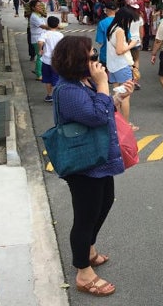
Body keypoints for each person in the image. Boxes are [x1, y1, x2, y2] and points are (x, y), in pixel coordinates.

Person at [50, 35, 134, 297]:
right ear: (77, 60)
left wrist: (117, 97)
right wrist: (103, 85)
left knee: (105, 201)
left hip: (98, 159)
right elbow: (97, 116)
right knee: (85, 216)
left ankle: (88, 248)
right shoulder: (68, 91)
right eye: (91, 57)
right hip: (83, 164)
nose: (96, 61)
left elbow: (102, 111)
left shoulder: (81, 83)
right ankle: (83, 272)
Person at [106, 8, 138, 131]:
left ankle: (118, 123)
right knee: (125, 96)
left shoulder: (111, 28)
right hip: (121, 66)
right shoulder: (119, 30)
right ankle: (126, 125)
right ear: (125, 19)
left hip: (112, 66)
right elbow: (120, 51)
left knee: (117, 95)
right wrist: (132, 44)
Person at [38, 16, 64, 102]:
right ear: (57, 25)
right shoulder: (60, 35)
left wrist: (40, 50)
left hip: (46, 60)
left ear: (47, 24)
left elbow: (40, 42)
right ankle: (56, 95)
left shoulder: (45, 33)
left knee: (47, 78)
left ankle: (49, 95)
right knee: (56, 78)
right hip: (56, 60)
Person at [125, 0, 144, 90]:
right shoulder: (139, 18)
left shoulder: (124, 18)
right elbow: (141, 32)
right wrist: (141, 41)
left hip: (126, 42)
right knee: (136, 61)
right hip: (136, 42)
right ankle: (135, 81)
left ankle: (128, 81)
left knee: (126, 61)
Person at [94, 1, 119, 68]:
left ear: (106, 10)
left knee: (105, 77)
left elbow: (100, 41)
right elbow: (128, 38)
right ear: (116, 10)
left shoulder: (102, 23)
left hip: (106, 55)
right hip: (120, 55)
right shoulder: (122, 22)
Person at [29, 0, 49, 81]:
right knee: (40, 56)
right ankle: (39, 74)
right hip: (37, 38)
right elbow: (43, 26)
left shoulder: (38, 15)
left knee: (41, 55)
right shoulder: (34, 16)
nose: (40, 7)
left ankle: (38, 71)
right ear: (33, 8)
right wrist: (55, 26)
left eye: (41, 5)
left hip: (41, 37)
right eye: (38, 6)